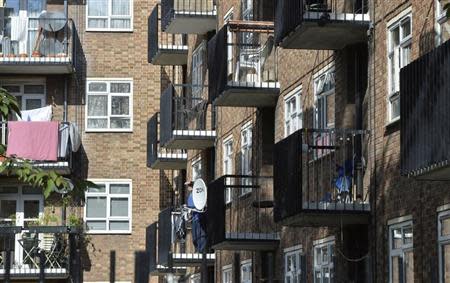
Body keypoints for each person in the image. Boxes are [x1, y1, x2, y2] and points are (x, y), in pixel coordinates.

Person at [185, 181, 207, 253]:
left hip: (200, 218)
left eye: (190, 185)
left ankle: (202, 250)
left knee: (201, 235)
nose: (188, 187)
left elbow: (199, 205)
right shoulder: (190, 196)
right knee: (195, 237)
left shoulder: (197, 195)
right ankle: (197, 250)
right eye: (188, 186)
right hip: (194, 218)